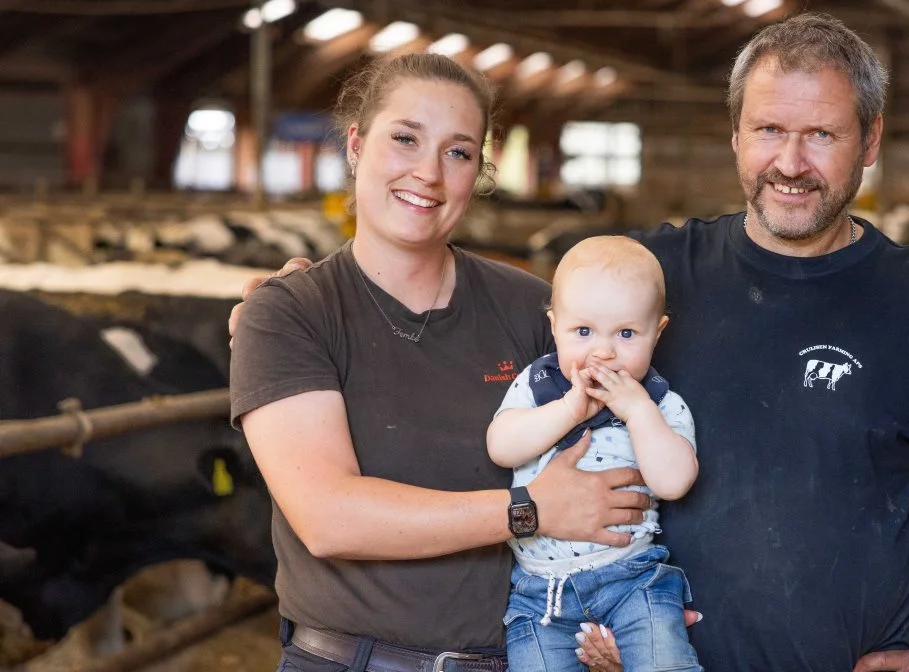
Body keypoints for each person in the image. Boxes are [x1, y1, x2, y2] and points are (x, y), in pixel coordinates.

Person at [233, 13, 909, 672]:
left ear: (870, 142)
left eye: (822, 134)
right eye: (770, 129)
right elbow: (515, 311)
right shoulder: (651, 276)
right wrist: (285, 303)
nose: (791, 160)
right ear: (735, 137)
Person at [229, 52, 653, 672]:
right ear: (355, 145)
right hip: (353, 662)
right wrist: (529, 509)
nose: (427, 173)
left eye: (457, 152)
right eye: (405, 138)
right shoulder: (291, 313)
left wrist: (630, 615)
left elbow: (622, 452)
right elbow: (328, 517)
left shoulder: (534, 308)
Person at [487, 236, 701, 671]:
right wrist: (567, 410)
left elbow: (674, 482)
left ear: (656, 332)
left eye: (626, 333)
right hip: (539, 593)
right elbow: (501, 447)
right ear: (554, 325)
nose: (603, 352)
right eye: (583, 332)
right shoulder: (539, 384)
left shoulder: (658, 402)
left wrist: (637, 411)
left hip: (634, 580)